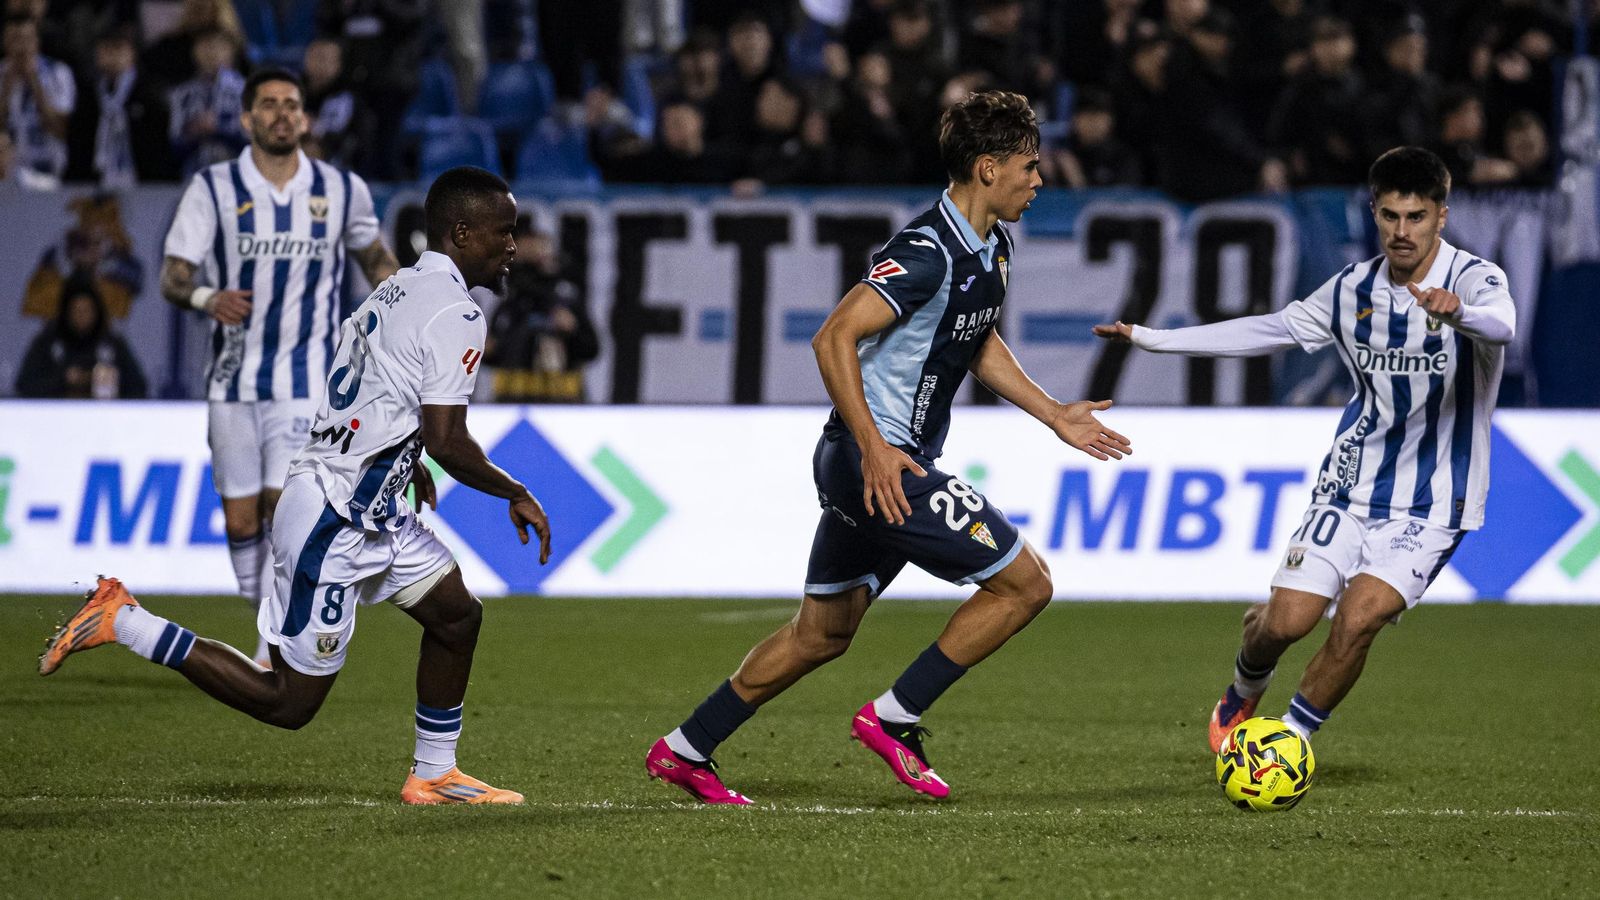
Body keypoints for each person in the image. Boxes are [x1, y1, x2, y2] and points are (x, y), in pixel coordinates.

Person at [645, 90, 1131, 805]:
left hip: (884, 464)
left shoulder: (992, 245)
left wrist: (1054, 413)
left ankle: (685, 749)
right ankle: (894, 717)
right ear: (987, 167)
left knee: (822, 632)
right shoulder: (926, 250)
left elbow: (974, 339)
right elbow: (832, 335)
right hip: (876, 462)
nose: (1039, 179)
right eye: (1029, 166)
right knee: (1026, 584)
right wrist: (874, 447)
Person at [40, 165, 554, 807]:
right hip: (335, 518)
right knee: (286, 702)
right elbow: (450, 440)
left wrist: (405, 456)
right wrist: (515, 491)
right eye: (503, 232)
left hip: (374, 508)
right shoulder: (456, 311)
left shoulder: (397, 290)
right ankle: (126, 620)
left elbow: (382, 393)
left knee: (456, 617)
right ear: (461, 231)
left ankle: (434, 773)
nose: (512, 245)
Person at [1092, 147, 1515, 751]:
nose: (1402, 231)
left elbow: (1503, 325)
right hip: (1349, 486)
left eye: (1416, 217)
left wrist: (1464, 313)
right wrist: (1154, 340)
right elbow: (1268, 330)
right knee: (1284, 622)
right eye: (1390, 216)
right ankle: (1244, 685)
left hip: (1433, 504)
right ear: (1374, 213)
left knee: (1359, 619)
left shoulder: (1477, 279)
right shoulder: (1351, 290)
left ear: (1441, 217)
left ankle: (1283, 744)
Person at [160, 67, 399, 666]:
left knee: (282, 510)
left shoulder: (341, 190)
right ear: (247, 119)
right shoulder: (212, 188)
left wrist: (407, 302)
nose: (282, 113)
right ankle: (265, 622)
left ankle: (273, 649)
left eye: (292, 104)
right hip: (232, 381)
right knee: (241, 521)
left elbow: (374, 257)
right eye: (268, 104)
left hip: (306, 383)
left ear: (306, 118)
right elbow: (174, 275)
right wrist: (205, 298)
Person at [15, 279, 147, 399]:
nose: (82, 316)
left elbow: (139, 387)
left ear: (96, 312)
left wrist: (111, 383)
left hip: (104, 418)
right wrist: (63, 379)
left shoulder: (112, 343)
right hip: (55, 418)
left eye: (87, 310)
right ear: (67, 312)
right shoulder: (47, 342)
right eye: (77, 310)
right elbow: (24, 386)